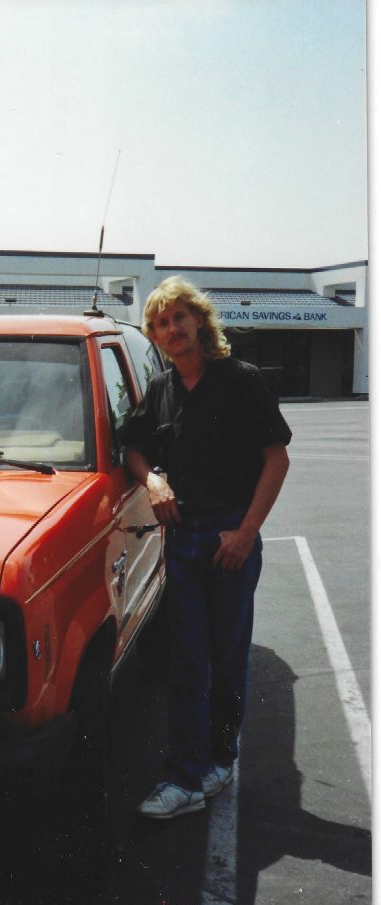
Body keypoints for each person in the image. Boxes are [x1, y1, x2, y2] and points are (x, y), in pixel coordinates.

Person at [121, 276, 291, 820]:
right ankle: (185, 777)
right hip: (184, 540)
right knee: (185, 659)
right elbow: (133, 446)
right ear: (155, 334)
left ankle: (217, 759)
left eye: (180, 318)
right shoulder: (162, 390)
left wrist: (245, 532)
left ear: (200, 321)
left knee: (227, 656)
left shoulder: (240, 381)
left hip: (229, 540)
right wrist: (153, 482)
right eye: (161, 323)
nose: (172, 329)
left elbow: (276, 459)